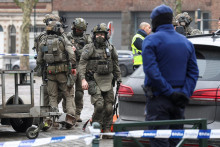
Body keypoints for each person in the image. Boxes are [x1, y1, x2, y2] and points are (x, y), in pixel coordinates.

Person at [142, 5, 199, 147]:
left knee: (159, 141)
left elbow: (152, 71)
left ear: (155, 21)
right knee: (176, 141)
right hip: (179, 101)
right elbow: (193, 72)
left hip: (159, 99)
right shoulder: (186, 42)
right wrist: (184, 94)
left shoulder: (150, 40)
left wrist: (169, 93)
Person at [79, 23, 121, 138]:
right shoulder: (89, 48)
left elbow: (116, 64)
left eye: (102, 34)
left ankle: (107, 129)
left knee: (108, 107)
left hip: (108, 80)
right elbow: (82, 64)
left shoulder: (111, 48)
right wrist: (83, 79)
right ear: (94, 36)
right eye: (97, 34)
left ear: (106, 35)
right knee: (99, 105)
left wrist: (119, 79)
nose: (100, 36)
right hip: (93, 80)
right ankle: (96, 127)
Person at [36, 15, 77, 118]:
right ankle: (70, 116)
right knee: (68, 95)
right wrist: (73, 66)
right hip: (63, 72)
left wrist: (41, 68)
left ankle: (52, 118)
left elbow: (39, 59)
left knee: (52, 96)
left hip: (50, 73)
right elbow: (71, 53)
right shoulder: (62, 39)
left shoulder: (43, 40)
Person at [66, 18, 92, 122]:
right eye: (78, 30)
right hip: (70, 66)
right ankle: (68, 112)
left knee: (79, 92)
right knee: (68, 90)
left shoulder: (87, 38)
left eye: (81, 30)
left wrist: (77, 51)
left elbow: (88, 52)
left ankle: (77, 114)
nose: (79, 32)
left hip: (81, 66)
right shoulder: (68, 36)